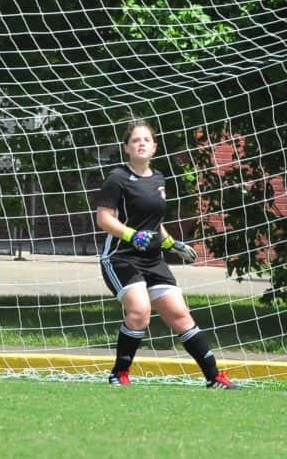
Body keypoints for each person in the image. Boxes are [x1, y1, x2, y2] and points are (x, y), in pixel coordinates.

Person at [95, 119, 239, 389]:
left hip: (152, 260)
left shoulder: (159, 179)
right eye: (135, 140)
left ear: (155, 147)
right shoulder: (117, 178)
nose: (141, 144)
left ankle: (214, 377)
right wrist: (131, 235)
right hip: (120, 258)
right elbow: (104, 219)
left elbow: (154, 222)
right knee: (140, 311)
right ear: (126, 148)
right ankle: (119, 374)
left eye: (146, 140)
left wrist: (172, 244)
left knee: (180, 314)